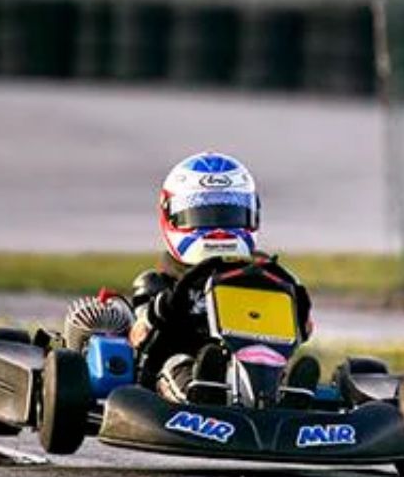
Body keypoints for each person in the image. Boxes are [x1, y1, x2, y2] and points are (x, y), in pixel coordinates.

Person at [128, 151, 317, 404]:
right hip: (176, 367)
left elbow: (303, 331)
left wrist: (297, 302)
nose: (218, 230)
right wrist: (168, 306)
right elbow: (140, 337)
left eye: (229, 215)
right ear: (171, 217)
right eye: (203, 216)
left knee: (272, 362)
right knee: (180, 363)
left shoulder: (264, 277)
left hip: (249, 363)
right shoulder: (158, 283)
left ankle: (291, 395)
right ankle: (203, 391)